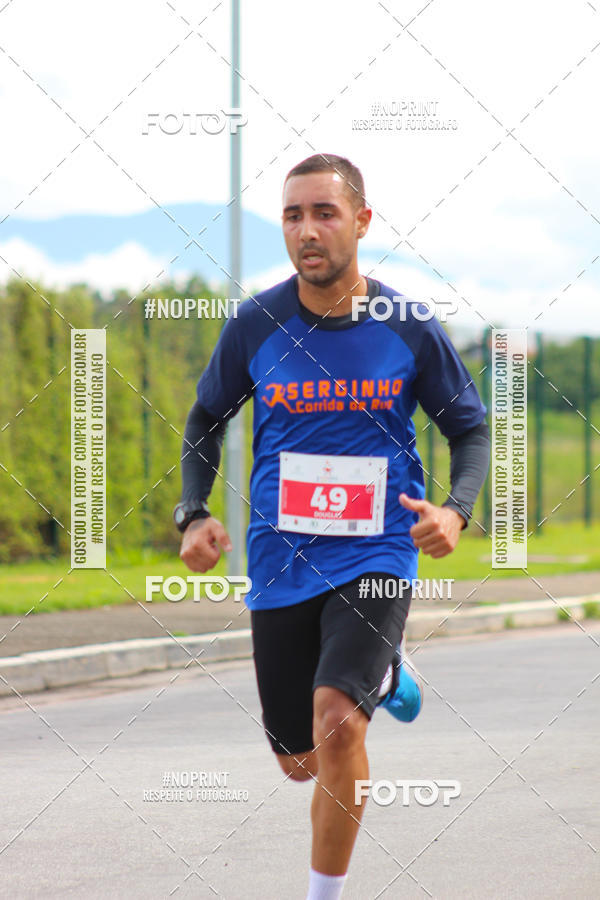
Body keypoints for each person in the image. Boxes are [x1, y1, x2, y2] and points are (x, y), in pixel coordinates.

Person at [174, 154, 490, 899]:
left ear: (362, 221)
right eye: (293, 215)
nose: (308, 230)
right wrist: (194, 512)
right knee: (299, 760)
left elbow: (469, 431)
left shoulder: (408, 327)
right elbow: (203, 421)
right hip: (282, 561)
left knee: (337, 723)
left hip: (379, 550)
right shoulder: (257, 324)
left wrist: (455, 510)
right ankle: (386, 672)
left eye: (324, 212)